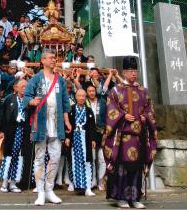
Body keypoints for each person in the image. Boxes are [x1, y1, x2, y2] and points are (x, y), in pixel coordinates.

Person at [103, 57, 157, 209]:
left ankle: (135, 197)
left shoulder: (143, 91)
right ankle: (121, 198)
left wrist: (144, 117)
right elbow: (110, 110)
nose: (134, 74)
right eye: (131, 71)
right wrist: (122, 115)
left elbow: (150, 110)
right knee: (122, 168)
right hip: (122, 137)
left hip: (138, 137)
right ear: (124, 72)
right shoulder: (116, 90)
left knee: (137, 168)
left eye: (136, 71)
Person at [23, 50, 72, 206]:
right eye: (51, 58)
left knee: (55, 157)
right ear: (42, 60)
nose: (54, 60)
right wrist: (31, 102)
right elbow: (26, 96)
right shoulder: (36, 78)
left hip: (56, 124)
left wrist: (67, 121)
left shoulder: (60, 80)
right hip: (41, 123)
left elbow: (65, 102)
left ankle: (49, 190)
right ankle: (40, 192)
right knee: (39, 158)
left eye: (54, 58)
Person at [0, 79, 28, 193]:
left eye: (26, 86)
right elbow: (2, 115)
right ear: (16, 87)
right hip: (11, 131)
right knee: (8, 156)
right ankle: (5, 183)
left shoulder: (28, 100)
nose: (25, 88)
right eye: (22, 86)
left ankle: (13, 183)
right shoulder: (10, 98)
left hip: (22, 131)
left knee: (18, 157)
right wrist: (0, 130)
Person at [65, 89, 96, 196]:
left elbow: (92, 127)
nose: (82, 98)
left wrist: (93, 139)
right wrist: (68, 137)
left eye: (83, 96)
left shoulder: (89, 110)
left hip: (85, 138)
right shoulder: (71, 109)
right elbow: (68, 125)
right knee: (73, 160)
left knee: (87, 162)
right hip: (74, 137)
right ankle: (74, 183)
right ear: (76, 97)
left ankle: (87, 186)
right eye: (79, 96)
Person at [85, 82, 107, 191]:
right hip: (90, 133)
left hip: (101, 132)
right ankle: (92, 180)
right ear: (87, 93)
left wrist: (106, 131)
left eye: (93, 91)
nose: (91, 93)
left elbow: (108, 117)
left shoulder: (102, 102)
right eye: (89, 91)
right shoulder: (85, 103)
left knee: (102, 159)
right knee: (92, 158)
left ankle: (101, 180)